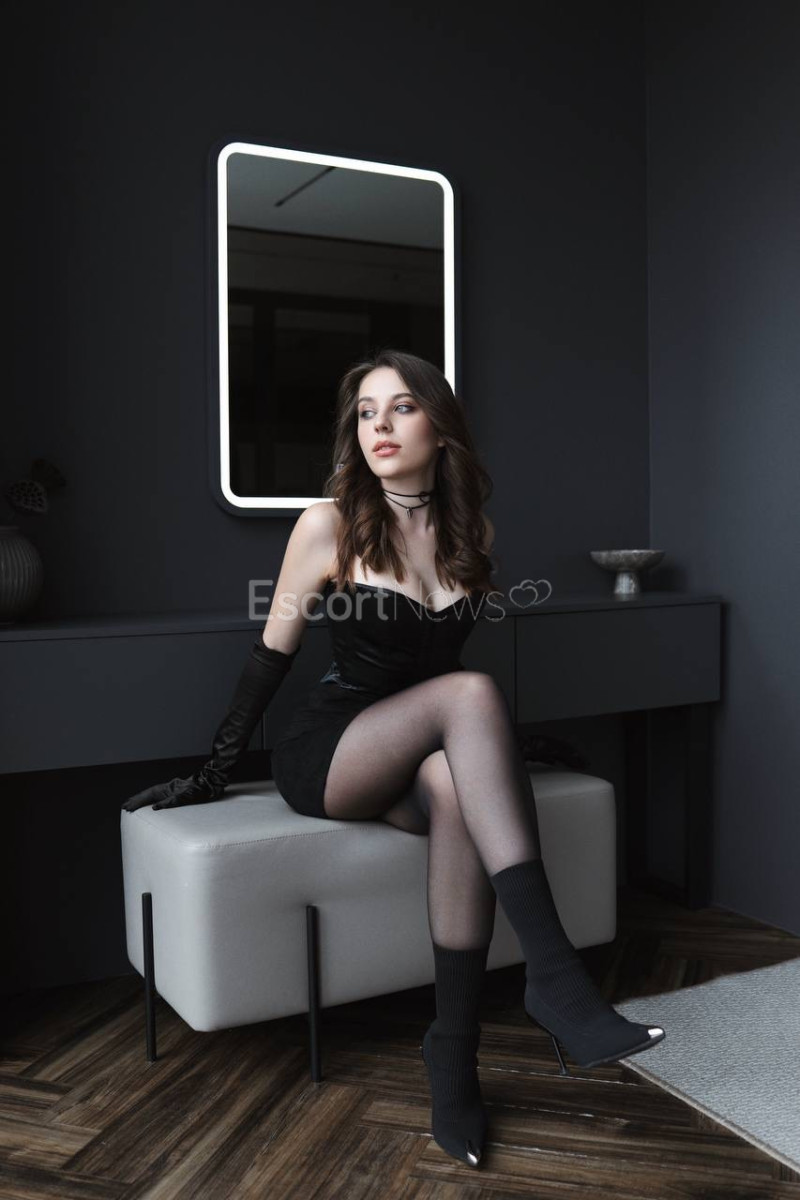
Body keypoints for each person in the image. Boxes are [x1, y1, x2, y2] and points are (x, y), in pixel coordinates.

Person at [123, 348, 665, 1169]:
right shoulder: (328, 525)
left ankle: (453, 1054)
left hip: (424, 751)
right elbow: (269, 658)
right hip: (332, 752)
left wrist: (499, 755)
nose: (379, 426)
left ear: (440, 428)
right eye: (367, 412)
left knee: (456, 782)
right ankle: (559, 983)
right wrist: (213, 772)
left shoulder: (472, 532)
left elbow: (438, 686)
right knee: (472, 692)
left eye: (401, 407)